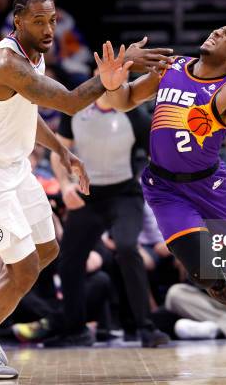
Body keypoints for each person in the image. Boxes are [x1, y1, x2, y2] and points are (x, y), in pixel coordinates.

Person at [0, 0, 173, 379]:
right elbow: (69, 102)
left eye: (52, 20)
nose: (49, 28)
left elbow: (27, 110)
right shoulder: (5, 62)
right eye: (39, 21)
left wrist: (62, 152)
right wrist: (111, 74)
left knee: (47, 249)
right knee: (24, 269)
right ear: (18, 22)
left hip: (15, 168)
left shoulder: (34, 55)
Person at [104, 25, 226, 372]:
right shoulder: (172, 68)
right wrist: (111, 81)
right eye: (216, 28)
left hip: (210, 188)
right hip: (166, 187)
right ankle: (213, 280)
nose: (216, 31)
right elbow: (123, 100)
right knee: (202, 269)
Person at [49, 90, 169, 347]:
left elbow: (157, 157)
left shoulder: (136, 115)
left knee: (127, 247)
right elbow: (58, 151)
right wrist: (65, 185)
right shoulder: (75, 108)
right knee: (69, 260)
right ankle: (75, 331)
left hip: (124, 194)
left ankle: (145, 327)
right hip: (87, 194)